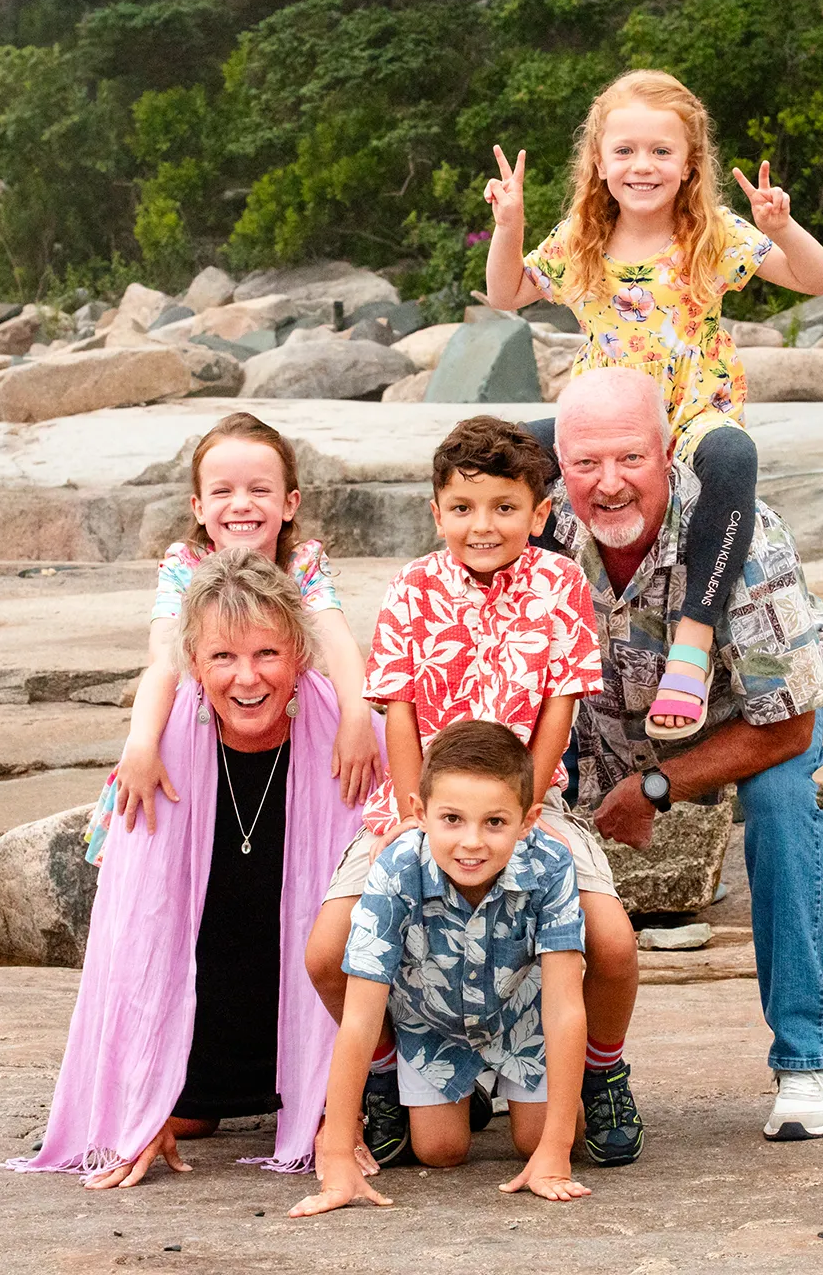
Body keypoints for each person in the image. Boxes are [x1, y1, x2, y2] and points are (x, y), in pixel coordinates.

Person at [302, 417, 645, 1171]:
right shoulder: (415, 587)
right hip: (422, 802)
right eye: (462, 508)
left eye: (503, 508)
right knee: (328, 952)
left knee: (613, 941)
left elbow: (561, 703)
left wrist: (524, 811)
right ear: (436, 511)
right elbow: (396, 705)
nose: (481, 526)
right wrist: (407, 810)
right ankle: (390, 1074)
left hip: (527, 803)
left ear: (540, 513)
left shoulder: (558, 584)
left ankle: (602, 1066)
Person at [483, 68, 823, 743]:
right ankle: (499, 629)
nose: (641, 166)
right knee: (500, 456)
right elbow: (507, 294)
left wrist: (784, 227)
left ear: (689, 163)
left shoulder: (712, 232)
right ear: (598, 160)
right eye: (624, 151)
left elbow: (818, 281)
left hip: (690, 408)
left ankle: (693, 642)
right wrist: (510, 225)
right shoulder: (581, 236)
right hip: (606, 414)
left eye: (660, 152)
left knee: (733, 454)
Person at [8, 548, 375, 1184]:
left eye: (267, 654)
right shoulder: (162, 747)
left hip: (323, 1017)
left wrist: (335, 1112)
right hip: (213, 1015)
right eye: (222, 658)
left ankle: (322, 1094)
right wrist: (140, 1105)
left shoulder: (349, 737)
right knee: (185, 1112)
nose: (247, 678)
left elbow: (382, 922)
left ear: (300, 655)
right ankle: (190, 1092)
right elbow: (137, 936)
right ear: (195, 667)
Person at [549, 366, 823, 1141]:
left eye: (630, 460)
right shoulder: (539, 526)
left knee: (785, 801)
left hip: (740, 725)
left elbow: (787, 726)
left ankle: (807, 1063)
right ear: (558, 461)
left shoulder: (745, 541)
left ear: (668, 452)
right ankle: (498, 1055)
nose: (608, 485)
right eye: (585, 464)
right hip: (588, 731)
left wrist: (655, 787)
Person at [290, 720, 591, 1217]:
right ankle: (465, 1092)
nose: (471, 842)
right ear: (419, 812)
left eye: (495, 822)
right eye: (452, 819)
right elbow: (362, 1016)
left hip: (522, 1019)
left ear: (528, 819)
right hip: (433, 1024)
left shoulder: (551, 863)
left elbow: (563, 1008)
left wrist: (554, 1155)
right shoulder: (395, 869)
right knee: (440, 1151)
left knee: (540, 1138)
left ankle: (555, 1098)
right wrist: (338, 1152)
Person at [83, 412, 381, 863]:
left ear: (289, 503)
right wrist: (141, 745)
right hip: (206, 718)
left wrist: (356, 719)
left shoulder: (301, 563)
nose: (241, 504)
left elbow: (337, 642)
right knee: (170, 708)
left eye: (259, 490)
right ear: (200, 508)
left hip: (283, 717)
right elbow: (164, 660)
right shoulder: (186, 563)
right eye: (223, 491)